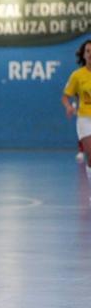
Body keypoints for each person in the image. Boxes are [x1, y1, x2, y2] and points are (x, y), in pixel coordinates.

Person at [62, 38, 91, 195]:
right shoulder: (77, 75)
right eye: (88, 51)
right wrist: (68, 107)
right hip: (85, 119)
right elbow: (66, 96)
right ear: (84, 55)